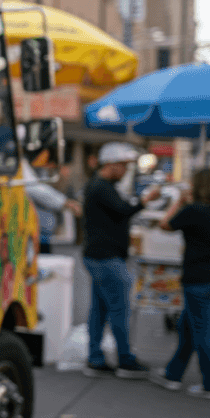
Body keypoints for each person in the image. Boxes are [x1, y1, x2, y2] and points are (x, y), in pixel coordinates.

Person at [81, 142, 160, 378]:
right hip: (107, 258)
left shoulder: (97, 186)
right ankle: (125, 359)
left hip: (97, 256)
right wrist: (145, 200)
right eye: (124, 166)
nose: (126, 171)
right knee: (119, 310)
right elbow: (124, 210)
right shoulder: (102, 188)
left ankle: (95, 357)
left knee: (99, 310)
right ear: (112, 165)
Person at [151, 169, 210, 400]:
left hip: (197, 279)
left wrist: (179, 202)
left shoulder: (193, 211)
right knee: (188, 326)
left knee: (203, 333)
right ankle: (173, 374)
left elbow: (164, 224)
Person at [23, 160, 82, 254]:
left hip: (42, 234)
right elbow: (31, 186)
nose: (68, 172)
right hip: (33, 233)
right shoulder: (19, 161)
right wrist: (64, 202)